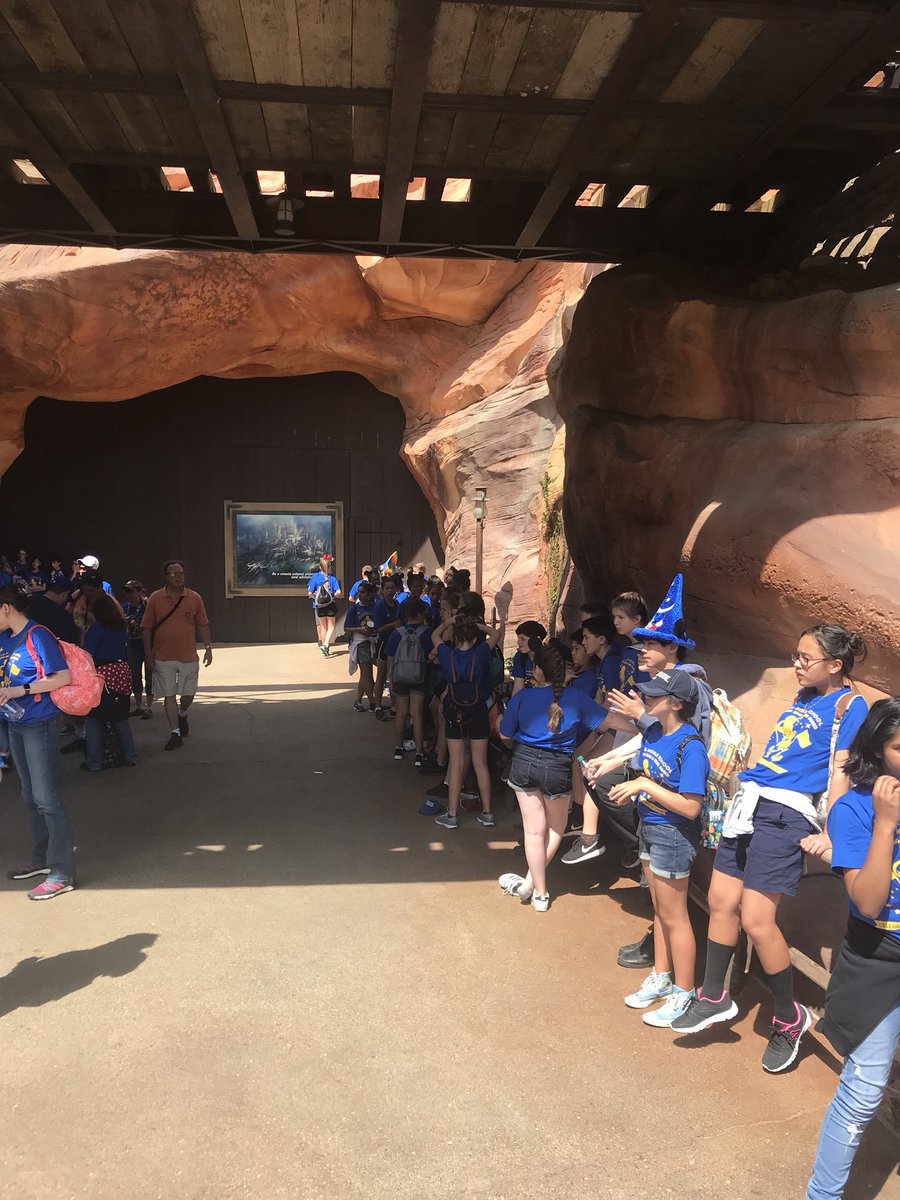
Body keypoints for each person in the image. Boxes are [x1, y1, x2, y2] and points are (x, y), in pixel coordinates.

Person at [671, 623, 868, 1073]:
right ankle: (714, 995)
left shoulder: (848, 704)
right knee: (721, 901)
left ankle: (788, 1016)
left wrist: (832, 830)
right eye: (795, 655)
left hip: (787, 815)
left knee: (758, 921)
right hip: (751, 804)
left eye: (806, 658)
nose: (796, 664)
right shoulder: (804, 697)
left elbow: (841, 771)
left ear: (834, 665)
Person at [805, 699, 900, 1198]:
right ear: (878, 749)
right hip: (877, 957)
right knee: (863, 1091)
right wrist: (886, 824)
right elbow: (867, 901)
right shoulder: (856, 808)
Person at [612, 670, 709, 1027]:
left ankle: (684, 992)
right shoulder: (654, 731)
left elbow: (690, 806)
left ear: (677, 704)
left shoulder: (690, 746)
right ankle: (662, 975)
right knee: (659, 909)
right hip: (650, 829)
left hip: (673, 835)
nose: (646, 698)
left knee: (675, 915)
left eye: (655, 695)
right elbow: (638, 717)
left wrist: (644, 787)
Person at [497, 641, 618, 911]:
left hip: (524, 761)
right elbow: (609, 722)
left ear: (537, 670)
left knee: (533, 830)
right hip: (557, 767)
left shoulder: (523, 698)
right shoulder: (575, 698)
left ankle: (536, 890)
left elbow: (505, 734)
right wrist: (644, 723)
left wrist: (498, 722)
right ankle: (533, 887)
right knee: (555, 829)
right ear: (562, 671)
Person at [0, 583, 76, 899]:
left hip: (39, 724)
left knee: (46, 798)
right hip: (13, 724)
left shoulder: (37, 635)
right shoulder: (4, 638)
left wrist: (22, 690)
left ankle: (62, 872)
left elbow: (63, 677)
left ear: (5, 608)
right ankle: (42, 859)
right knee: (30, 796)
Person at [431, 608, 503, 829]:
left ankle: (451, 815)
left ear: (455, 635)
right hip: (478, 709)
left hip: (455, 710)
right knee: (480, 763)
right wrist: (477, 625)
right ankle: (487, 813)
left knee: (456, 763)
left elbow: (435, 635)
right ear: (473, 637)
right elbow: (496, 633)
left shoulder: (446, 653)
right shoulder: (481, 652)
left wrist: (449, 622)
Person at [141, 561, 213, 752]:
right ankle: (175, 733)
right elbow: (146, 628)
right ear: (166, 577)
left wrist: (208, 647)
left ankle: (183, 713)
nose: (178, 576)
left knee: (188, 694)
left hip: (188, 655)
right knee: (169, 695)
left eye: (181, 573)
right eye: (173, 574)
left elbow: (203, 624)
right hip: (163, 656)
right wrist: (148, 653)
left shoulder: (194, 597)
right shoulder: (155, 598)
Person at [83, 593, 136, 772]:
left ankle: (94, 762)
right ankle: (130, 755)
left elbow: (87, 653)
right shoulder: (120, 626)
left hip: (101, 674)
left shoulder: (96, 628)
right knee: (120, 716)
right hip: (121, 671)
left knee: (93, 718)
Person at [385, 599, 433, 766]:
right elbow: (432, 656)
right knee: (416, 713)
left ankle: (398, 749)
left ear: (406, 614)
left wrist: (391, 680)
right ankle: (419, 753)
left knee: (401, 712)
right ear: (421, 614)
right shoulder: (428, 633)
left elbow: (390, 658)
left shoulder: (396, 633)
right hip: (419, 676)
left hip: (399, 677)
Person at [345, 581, 378, 712]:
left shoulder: (375, 607)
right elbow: (346, 628)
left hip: (373, 640)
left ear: (370, 594)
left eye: (363, 592)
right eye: (359, 592)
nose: (360, 594)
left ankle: (358, 701)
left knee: (365, 674)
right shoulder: (354, 609)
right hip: (359, 642)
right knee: (367, 673)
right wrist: (360, 629)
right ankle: (373, 702)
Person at [372, 575, 401, 720]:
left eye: (392, 588)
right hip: (384, 642)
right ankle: (377, 705)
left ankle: (394, 705)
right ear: (382, 590)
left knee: (394, 676)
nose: (390, 591)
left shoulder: (397, 604)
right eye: (387, 588)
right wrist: (392, 625)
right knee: (381, 675)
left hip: (396, 644)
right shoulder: (380, 606)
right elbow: (378, 628)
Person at [122, 580, 152, 719]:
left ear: (139, 592)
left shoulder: (147, 605)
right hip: (131, 643)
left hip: (147, 643)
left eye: (131, 591)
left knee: (150, 675)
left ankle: (149, 706)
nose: (128, 594)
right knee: (135, 675)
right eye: (126, 591)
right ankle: (139, 705)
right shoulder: (124, 607)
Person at [306, 554, 341, 656]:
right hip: (330, 605)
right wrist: (333, 596)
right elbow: (338, 592)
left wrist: (315, 597)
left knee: (322, 626)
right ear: (329, 567)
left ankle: (323, 646)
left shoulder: (315, 577)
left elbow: (309, 592)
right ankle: (326, 645)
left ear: (320, 567)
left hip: (319, 606)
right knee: (331, 626)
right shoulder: (332, 578)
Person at [511, 620, 547, 694]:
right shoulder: (520, 657)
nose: (518, 642)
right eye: (518, 638)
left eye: (523, 639)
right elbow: (518, 688)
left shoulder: (548, 657)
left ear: (536, 640)